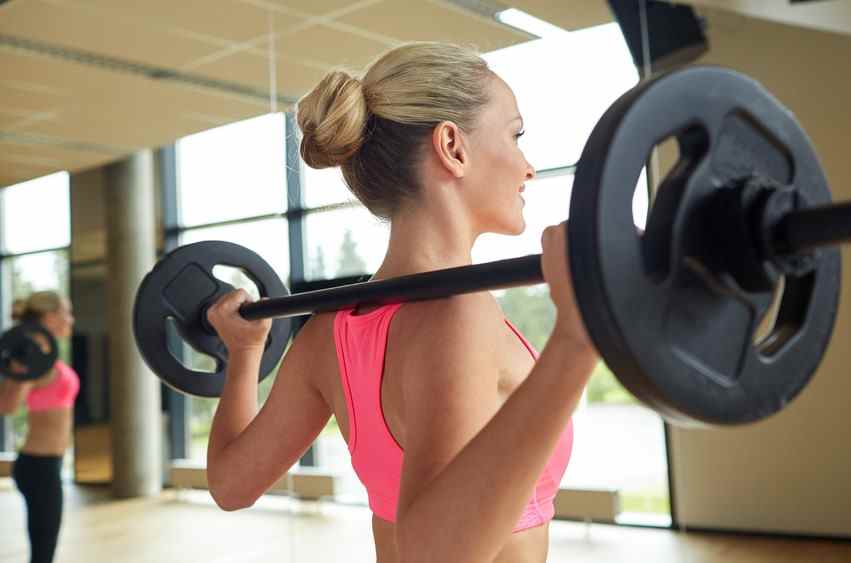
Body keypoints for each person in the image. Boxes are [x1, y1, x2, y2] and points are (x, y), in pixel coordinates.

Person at [205, 42, 598, 563]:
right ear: (453, 147)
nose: (528, 167)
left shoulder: (330, 332)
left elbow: (232, 485)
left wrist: (244, 354)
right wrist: (576, 343)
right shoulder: (459, 316)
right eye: (515, 135)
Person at [0, 291, 79, 563]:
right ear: (49, 317)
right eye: (66, 313)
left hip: (48, 464)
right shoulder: (32, 352)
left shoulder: (45, 353)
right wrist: (24, 366)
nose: (71, 319)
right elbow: (8, 405)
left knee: (45, 548)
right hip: (39, 466)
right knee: (44, 552)